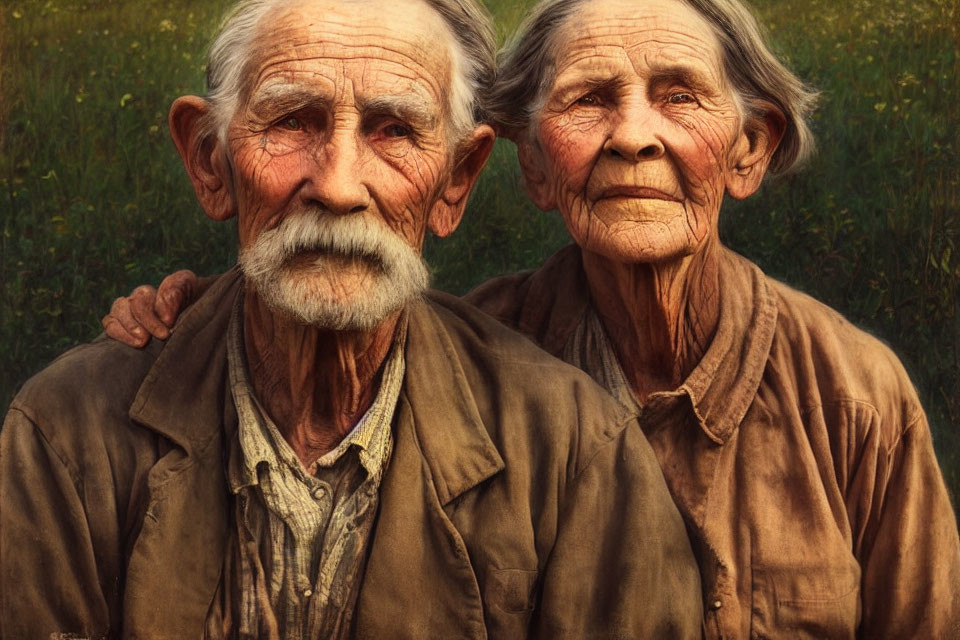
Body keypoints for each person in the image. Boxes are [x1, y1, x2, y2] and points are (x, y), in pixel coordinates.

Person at [108, 0, 960, 637]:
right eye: (589, 100)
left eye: (678, 97)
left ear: (749, 149)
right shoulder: (462, 359)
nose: (633, 136)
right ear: (533, 168)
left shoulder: (853, 396)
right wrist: (193, 313)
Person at [0, 0, 704, 638]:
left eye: (394, 130)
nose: (337, 187)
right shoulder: (67, 433)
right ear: (211, 163)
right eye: (290, 122)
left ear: (455, 180)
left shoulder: (577, 451)